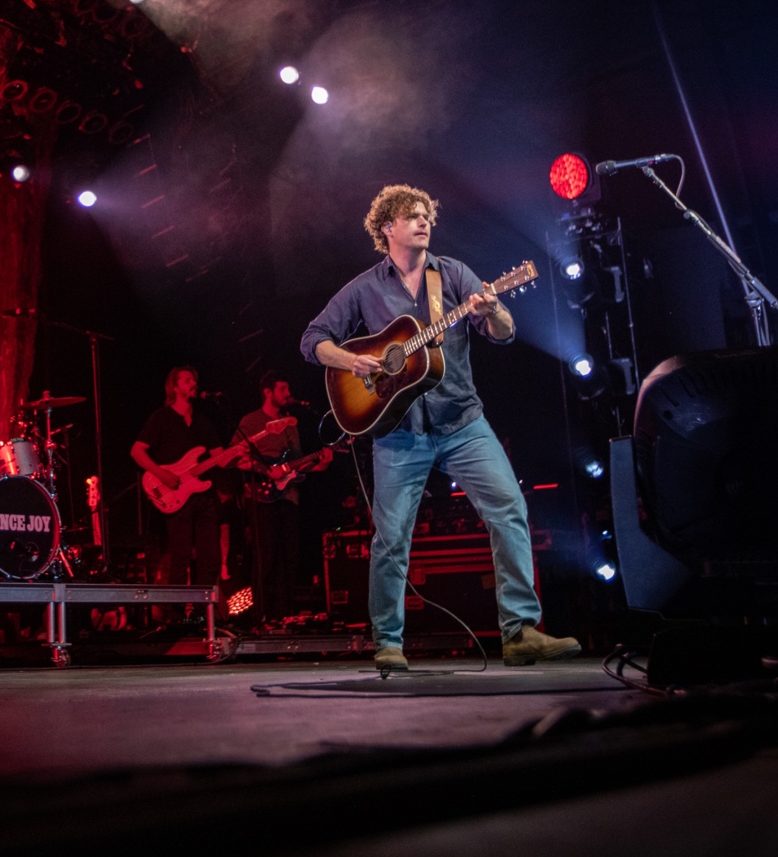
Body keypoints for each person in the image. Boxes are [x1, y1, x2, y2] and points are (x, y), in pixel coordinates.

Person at [299, 185, 579, 669]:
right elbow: (312, 340)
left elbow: (504, 334)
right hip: (398, 431)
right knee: (390, 538)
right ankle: (387, 642)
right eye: (412, 215)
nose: (424, 221)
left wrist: (493, 310)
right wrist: (354, 360)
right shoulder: (365, 288)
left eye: (428, 215)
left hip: (461, 421)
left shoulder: (452, 275)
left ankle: (519, 632)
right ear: (387, 227)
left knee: (509, 509)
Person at [233, 371, 333, 627]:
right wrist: (267, 470)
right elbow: (237, 459)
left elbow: (295, 464)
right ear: (267, 391)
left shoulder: (291, 423)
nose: (288, 393)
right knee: (265, 560)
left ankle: (284, 617)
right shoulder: (251, 421)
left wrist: (318, 465)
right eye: (283, 388)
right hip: (261, 498)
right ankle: (260, 619)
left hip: (289, 497)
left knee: (289, 559)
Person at [131, 366, 224, 590]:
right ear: (174, 387)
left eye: (194, 379)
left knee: (211, 559)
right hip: (176, 495)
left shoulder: (203, 422)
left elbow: (220, 459)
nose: (194, 383)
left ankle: (202, 616)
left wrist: (240, 451)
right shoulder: (161, 418)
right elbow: (137, 451)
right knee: (180, 558)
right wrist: (162, 474)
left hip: (205, 498)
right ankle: (178, 617)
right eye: (187, 380)